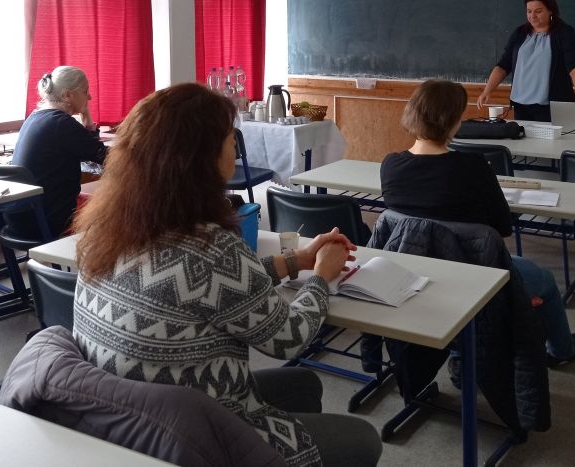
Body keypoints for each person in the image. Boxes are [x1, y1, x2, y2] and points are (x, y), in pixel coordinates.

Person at [71, 83, 382, 467]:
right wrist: (321, 275)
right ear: (200, 158)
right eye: (228, 139)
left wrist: (295, 261)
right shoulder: (210, 247)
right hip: (197, 436)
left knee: (304, 384)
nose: (235, 148)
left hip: (127, 420)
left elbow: (207, 291)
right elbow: (288, 339)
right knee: (364, 440)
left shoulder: (106, 231)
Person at [383, 79, 575, 366]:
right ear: (453, 122)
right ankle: (562, 351)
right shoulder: (473, 167)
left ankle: (460, 354)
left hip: (414, 274)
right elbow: (502, 228)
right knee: (546, 281)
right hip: (477, 276)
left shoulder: (390, 165)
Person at [10, 65, 107, 239]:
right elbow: (105, 156)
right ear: (68, 95)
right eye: (85, 91)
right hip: (46, 221)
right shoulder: (62, 124)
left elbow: (88, 148)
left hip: (20, 219)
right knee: (113, 209)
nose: (90, 97)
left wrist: (87, 118)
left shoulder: (35, 117)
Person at [476, 0, 575, 122]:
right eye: (529, 11)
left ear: (550, 10)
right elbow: (503, 66)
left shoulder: (564, 33)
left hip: (551, 107)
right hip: (520, 106)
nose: (532, 16)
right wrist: (487, 91)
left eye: (538, 11)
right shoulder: (519, 33)